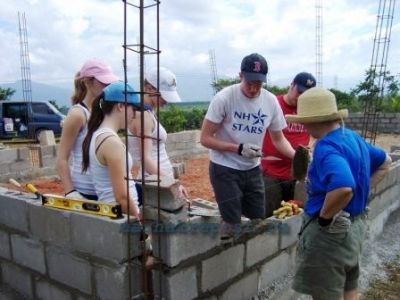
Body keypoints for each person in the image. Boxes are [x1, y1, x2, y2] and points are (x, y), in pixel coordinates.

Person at [288, 87, 392, 300]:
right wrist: (362, 191)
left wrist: (325, 218)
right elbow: (385, 162)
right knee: (349, 288)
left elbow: (343, 187)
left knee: (325, 293)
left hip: (330, 236)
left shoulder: (326, 147)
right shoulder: (351, 136)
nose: (304, 126)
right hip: (355, 226)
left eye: (304, 121)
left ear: (314, 120)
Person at [200, 53, 295, 236]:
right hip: (225, 168)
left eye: (258, 83)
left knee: (257, 219)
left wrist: (296, 156)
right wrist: (238, 148)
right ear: (240, 75)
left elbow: (279, 139)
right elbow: (205, 138)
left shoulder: (270, 101)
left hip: (253, 169)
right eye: (249, 82)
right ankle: (227, 252)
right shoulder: (225, 98)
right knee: (232, 222)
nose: (253, 88)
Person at [56, 59, 119, 200]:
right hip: (87, 191)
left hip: (106, 189)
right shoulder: (78, 114)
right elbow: (62, 159)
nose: (107, 86)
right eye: (103, 82)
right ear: (88, 81)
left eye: (109, 83)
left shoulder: (103, 111)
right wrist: (70, 192)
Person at [81, 81, 141, 220]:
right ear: (120, 106)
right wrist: (138, 221)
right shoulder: (111, 142)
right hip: (122, 217)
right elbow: (122, 197)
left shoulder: (98, 134)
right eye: (133, 109)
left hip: (115, 215)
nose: (134, 115)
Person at [261, 72, 316, 217]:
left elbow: (313, 132)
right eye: (300, 92)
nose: (301, 97)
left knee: (294, 214)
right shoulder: (274, 105)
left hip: (297, 174)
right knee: (269, 216)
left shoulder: (308, 109)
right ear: (291, 85)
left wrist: (309, 146)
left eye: (306, 95)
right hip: (272, 173)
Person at [128, 67, 188, 198]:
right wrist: (172, 183)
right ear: (149, 88)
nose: (166, 101)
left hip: (159, 181)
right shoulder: (142, 116)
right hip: (153, 184)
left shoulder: (149, 112)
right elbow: (146, 159)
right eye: (163, 95)